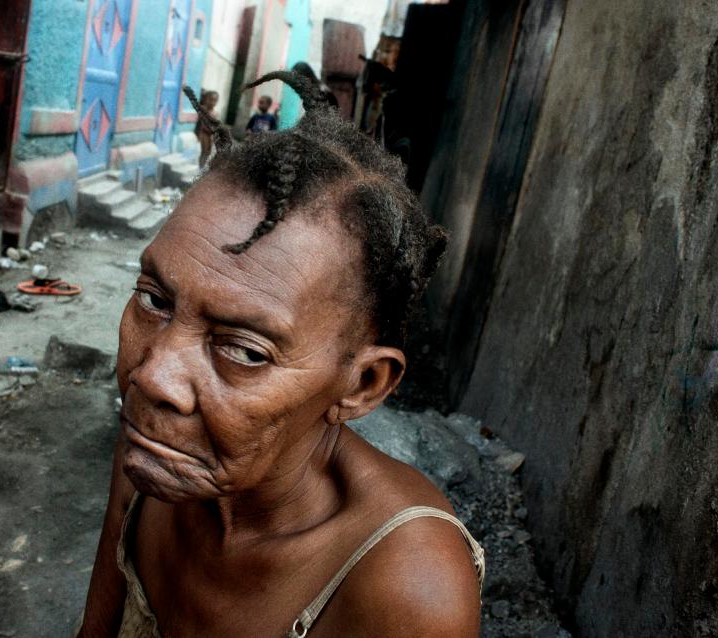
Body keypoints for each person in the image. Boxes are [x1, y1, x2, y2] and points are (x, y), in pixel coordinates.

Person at [77, 71, 484, 638]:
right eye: (154, 300)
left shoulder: (407, 590)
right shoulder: (161, 447)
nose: (153, 377)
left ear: (363, 384)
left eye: (244, 351)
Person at [193, 90, 219, 168]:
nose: (212, 103)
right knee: (203, 152)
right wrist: (197, 134)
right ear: (205, 100)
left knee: (208, 152)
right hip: (203, 134)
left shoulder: (215, 113)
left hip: (211, 135)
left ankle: (204, 167)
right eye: (210, 100)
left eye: (214, 101)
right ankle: (200, 167)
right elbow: (199, 123)